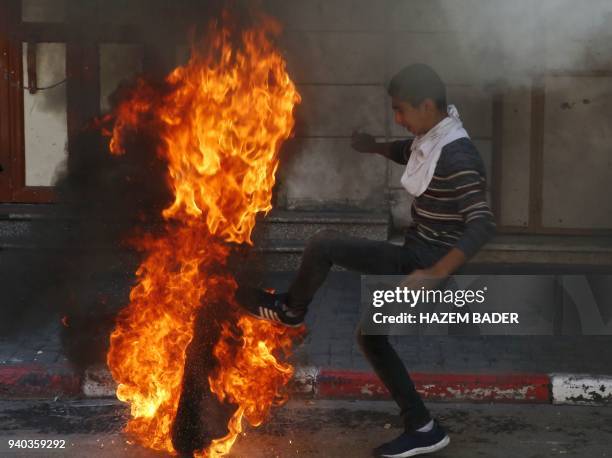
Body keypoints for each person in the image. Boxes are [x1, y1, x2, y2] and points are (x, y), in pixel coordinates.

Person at [240, 63, 496, 457]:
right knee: (369, 332)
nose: (398, 118)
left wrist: (434, 273)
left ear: (426, 105)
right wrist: (373, 146)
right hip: (417, 255)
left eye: (400, 110)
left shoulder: (458, 155)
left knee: (324, 246)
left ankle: (290, 311)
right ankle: (423, 426)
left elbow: (482, 223)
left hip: (426, 263)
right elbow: (405, 151)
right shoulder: (432, 137)